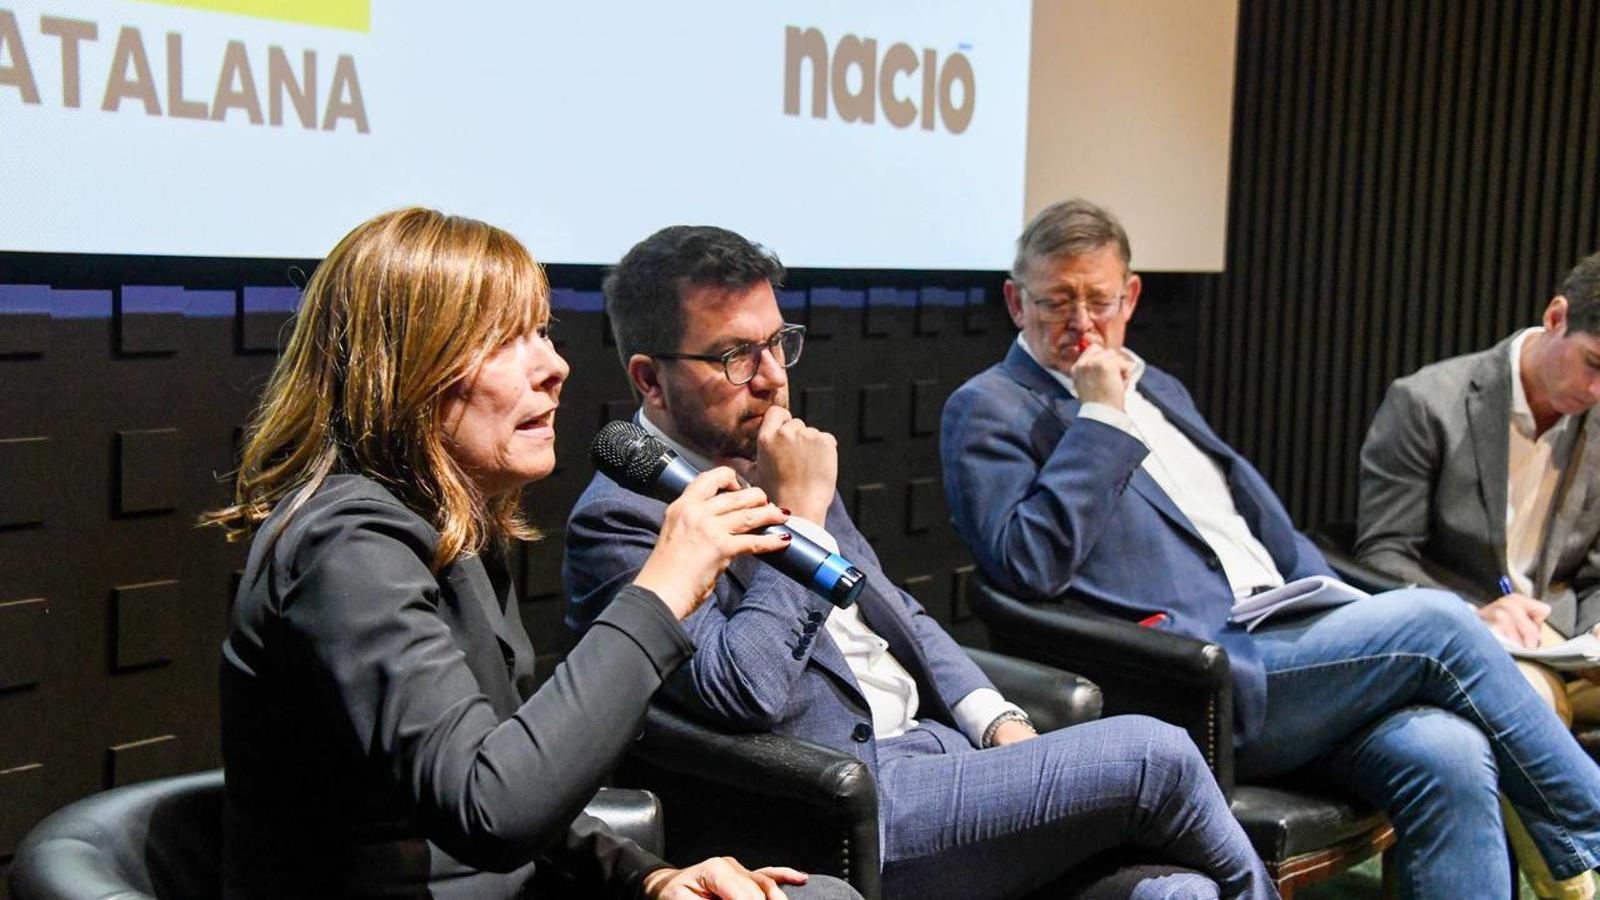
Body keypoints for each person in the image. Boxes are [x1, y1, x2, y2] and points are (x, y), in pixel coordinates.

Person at [563, 224, 1277, 900]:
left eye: (778, 343)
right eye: (735, 356)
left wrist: (998, 721)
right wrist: (802, 516)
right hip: (842, 803)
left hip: (941, 761)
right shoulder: (620, 519)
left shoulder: (769, 452)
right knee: (1157, 754)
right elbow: (741, 691)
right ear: (650, 380)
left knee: (1179, 892)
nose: (773, 378)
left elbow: (894, 610)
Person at [939, 197, 1600, 900]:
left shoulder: (1158, 387)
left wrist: (1339, 604)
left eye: (1099, 300)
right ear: (1015, 302)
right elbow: (1027, 565)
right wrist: (1101, 416)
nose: (1081, 322)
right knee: (1442, 620)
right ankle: (1589, 825)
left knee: (1450, 752)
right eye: (1055, 302)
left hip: (1290, 637)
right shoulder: (989, 407)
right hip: (1198, 674)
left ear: (1129, 297)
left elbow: (1265, 535)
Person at [204, 208, 858, 900]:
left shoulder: (449, 531)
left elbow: (519, 768)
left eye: (541, 332)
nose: (554, 366)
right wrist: (663, 590)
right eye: (502, 341)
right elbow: (493, 808)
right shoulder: (345, 544)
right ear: (401, 369)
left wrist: (651, 877)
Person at [1357, 250, 1600, 900]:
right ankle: (1575, 888)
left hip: (1569, 639)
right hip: (1476, 644)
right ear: (1556, 317)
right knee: (1525, 700)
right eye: (1594, 365)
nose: (1596, 393)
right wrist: (1472, 614)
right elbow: (1381, 555)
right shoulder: (1427, 402)